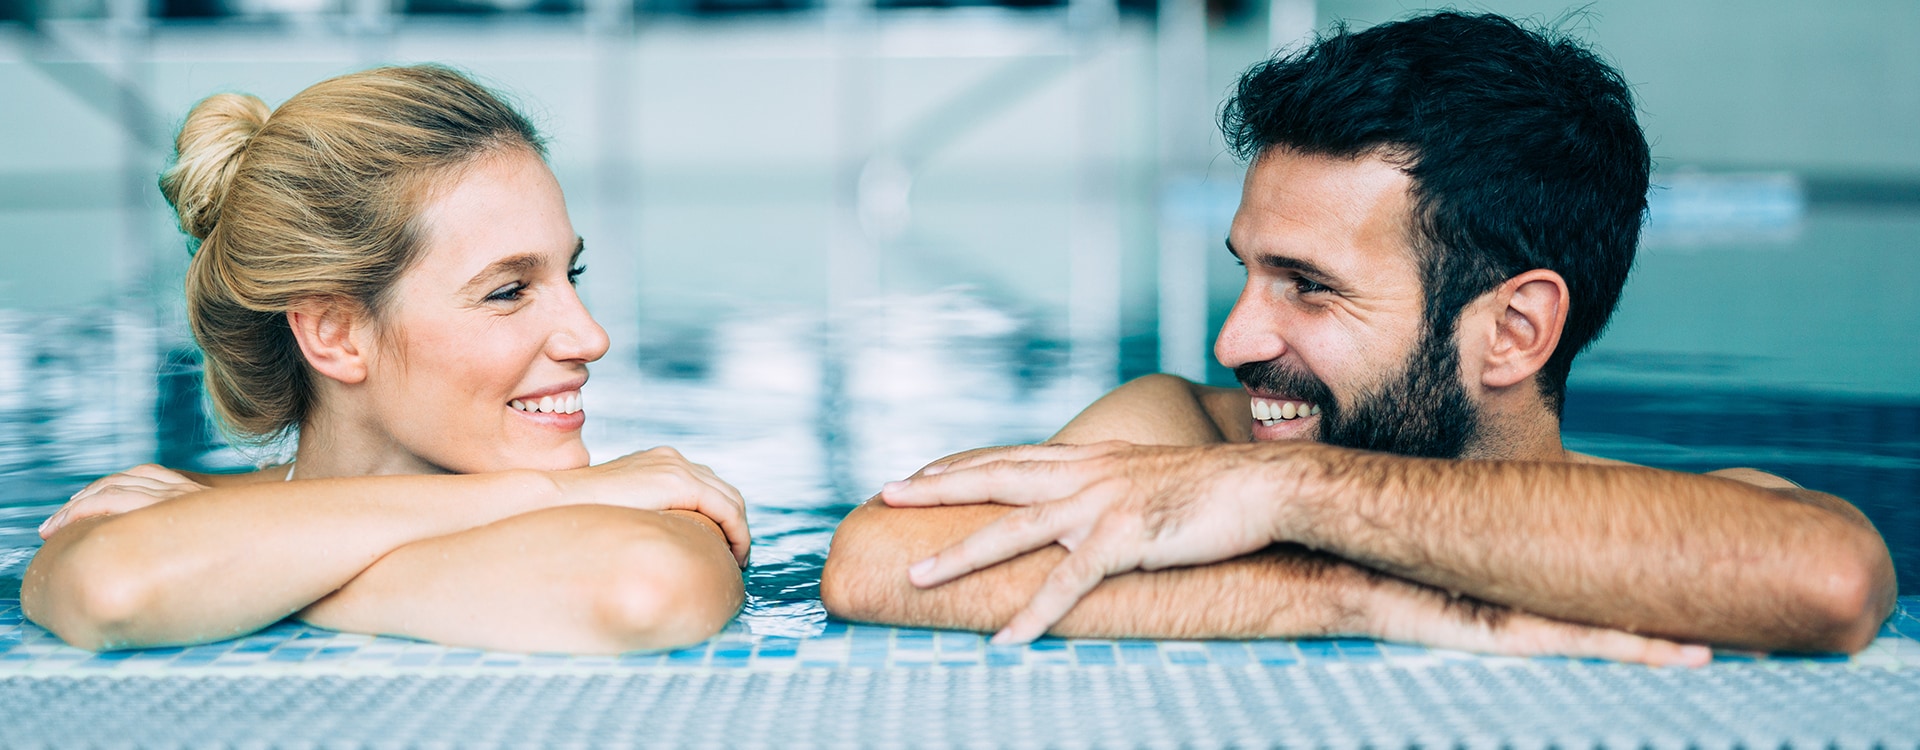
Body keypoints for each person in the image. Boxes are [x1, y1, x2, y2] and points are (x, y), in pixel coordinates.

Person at [821, 12, 1896, 663]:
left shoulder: (1682, 523)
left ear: (1514, 331)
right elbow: (877, 559)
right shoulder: (1184, 436)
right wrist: (1348, 589)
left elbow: (1834, 580)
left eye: (1310, 288)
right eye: (1247, 270)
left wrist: (1287, 497)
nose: (1237, 339)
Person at [24, 65, 749, 654]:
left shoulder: (185, 519)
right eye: (507, 291)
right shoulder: (614, 492)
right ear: (336, 334)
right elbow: (112, 591)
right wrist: (551, 497)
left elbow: (644, 589)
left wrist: (242, 580)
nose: (589, 338)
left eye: (571, 275)